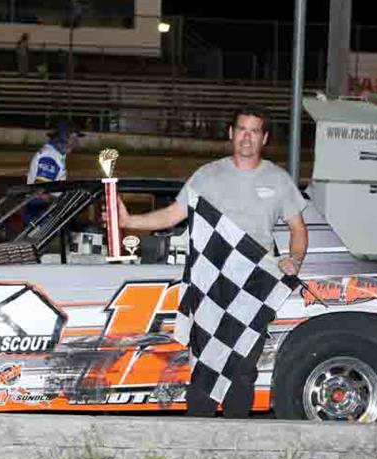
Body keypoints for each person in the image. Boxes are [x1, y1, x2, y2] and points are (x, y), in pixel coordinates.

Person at [104, 105, 309, 418]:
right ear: (231, 133)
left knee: (241, 368)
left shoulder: (278, 180)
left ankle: (236, 445)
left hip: (253, 289)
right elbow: (173, 214)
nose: (247, 137)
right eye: (242, 129)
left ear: (264, 138)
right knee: (204, 363)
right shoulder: (207, 175)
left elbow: (298, 229)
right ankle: (198, 442)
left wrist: (294, 260)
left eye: (254, 131)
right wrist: (129, 221)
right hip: (210, 288)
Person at [23, 122, 81, 228]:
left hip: (40, 211)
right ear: (64, 138)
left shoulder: (55, 155)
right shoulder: (50, 157)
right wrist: (65, 204)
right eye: (74, 138)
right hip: (39, 212)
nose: (77, 143)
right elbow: (42, 192)